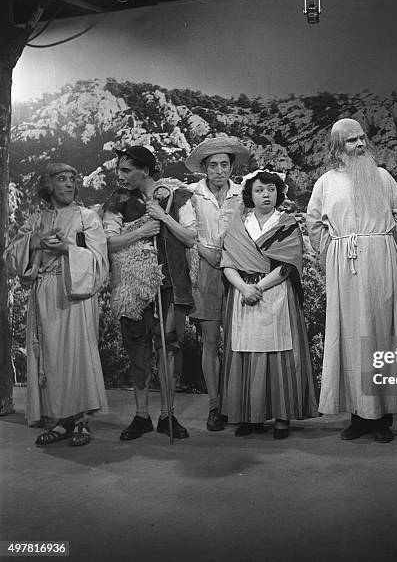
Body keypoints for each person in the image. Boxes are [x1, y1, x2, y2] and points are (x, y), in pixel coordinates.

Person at [306, 118, 397, 443]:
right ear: (338, 147)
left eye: (362, 138)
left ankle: (383, 418)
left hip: (381, 263)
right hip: (346, 267)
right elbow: (314, 223)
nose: (361, 145)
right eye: (352, 141)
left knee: (382, 336)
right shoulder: (326, 182)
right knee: (351, 337)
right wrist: (334, 253)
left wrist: (392, 252)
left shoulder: (381, 176)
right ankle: (357, 415)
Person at [4, 163, 109, 446]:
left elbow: (100, 262)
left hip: (76, 292)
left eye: (72, 179)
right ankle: (61, 420)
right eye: (61, 179)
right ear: (48, 185)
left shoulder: (87, 218)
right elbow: (11, 255)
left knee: (78, 355)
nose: (68, 184)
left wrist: (67, 249)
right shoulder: (36, 220)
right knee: (51, 356)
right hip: (45, 292)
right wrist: (35, 241)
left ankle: (81, 422)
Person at [102, 145, 197, 441]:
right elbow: (108, 243)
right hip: (133, 286)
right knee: (137, 347)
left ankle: (168, 414)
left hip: (170, 283)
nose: (121, 175)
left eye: (127, 170)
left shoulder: (176, 196)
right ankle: (141, 415)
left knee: (169, 345)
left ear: (145, 170)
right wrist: (141, 232)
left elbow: (192, 237)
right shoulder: (117, 201)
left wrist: (164, 217)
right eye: (119, 170)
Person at [221, 169, 317, 438]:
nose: (266, 195)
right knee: (246, 354)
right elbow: (227, 263)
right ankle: (250, 416)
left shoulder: (286, 223)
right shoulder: (238, 225)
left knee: (280, 355)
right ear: (250, 195)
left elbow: (288, 265)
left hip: (275, 291)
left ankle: (282, 417)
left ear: (279, 193)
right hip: (243, 293)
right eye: (260, 190)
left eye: (271, 189)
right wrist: (243, 287)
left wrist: (259, 287)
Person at [184, 137, 250, 432]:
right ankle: (214, 404)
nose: (219, 170)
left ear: (231, 167)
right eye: (213, 165)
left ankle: (240, 404)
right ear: (204, 168)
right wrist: (205, 252)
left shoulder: (243, 194)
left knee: (239, 341)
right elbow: (188, 233)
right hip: (206, 271)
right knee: (210, 341)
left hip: (238, 269)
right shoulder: (192, 195)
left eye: (224, 164)